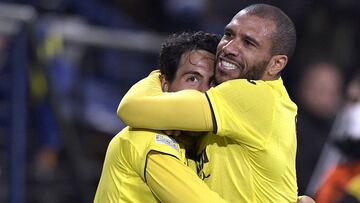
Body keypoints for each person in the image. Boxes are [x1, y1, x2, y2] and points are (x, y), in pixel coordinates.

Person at [118, 4, 299, 202]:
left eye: (248, 43)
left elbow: (131, 108)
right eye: (229, 35)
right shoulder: (261, 105)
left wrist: (161, 76)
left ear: (276, 64)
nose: (229, 48)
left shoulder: (251, 96)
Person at [94, 31, 228, 203]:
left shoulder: (198, 144)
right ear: (165, 84)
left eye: (213, 83)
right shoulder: (147, 140)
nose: (203, 93)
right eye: (192, 79)